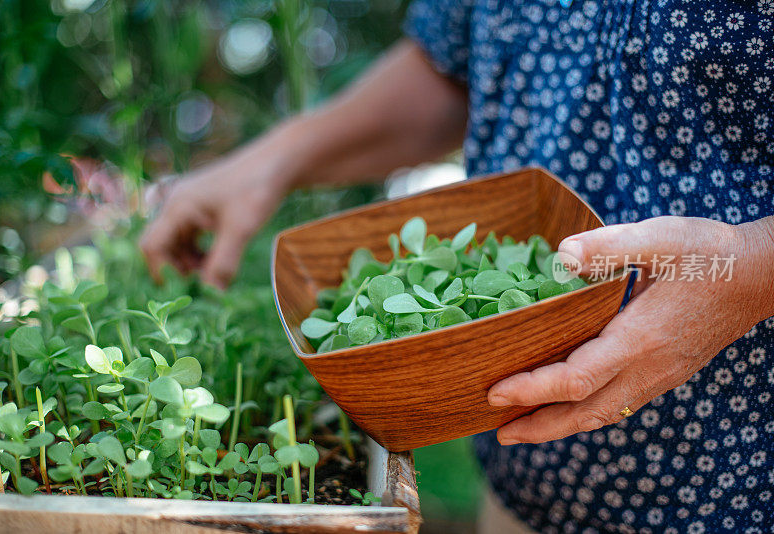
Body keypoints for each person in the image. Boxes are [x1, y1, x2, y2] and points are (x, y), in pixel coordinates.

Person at [142, 1, 774, 532]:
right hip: (521, 487)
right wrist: (275, 158)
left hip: (735, 487)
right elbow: (453, 65)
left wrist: (751, 270)